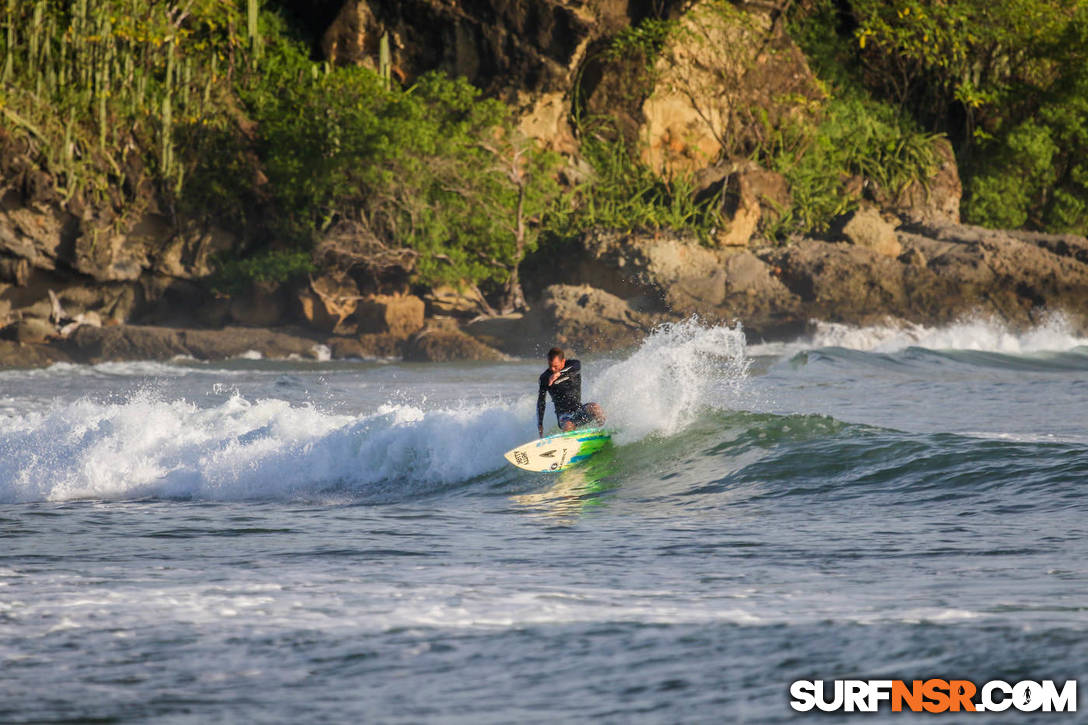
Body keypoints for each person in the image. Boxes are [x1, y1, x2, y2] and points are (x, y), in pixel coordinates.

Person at [537, 347, 605, 437]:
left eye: (555, 366)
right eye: (550, 366)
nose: (552, 369)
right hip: (563, 416)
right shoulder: (545, 378)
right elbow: (541, 401)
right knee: (568, 425)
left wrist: (560, 373)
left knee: (595, 408)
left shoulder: (573, 365)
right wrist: (540, 423)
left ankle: (604, 431)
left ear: (563, 361)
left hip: (579, 410)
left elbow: (577, 365)